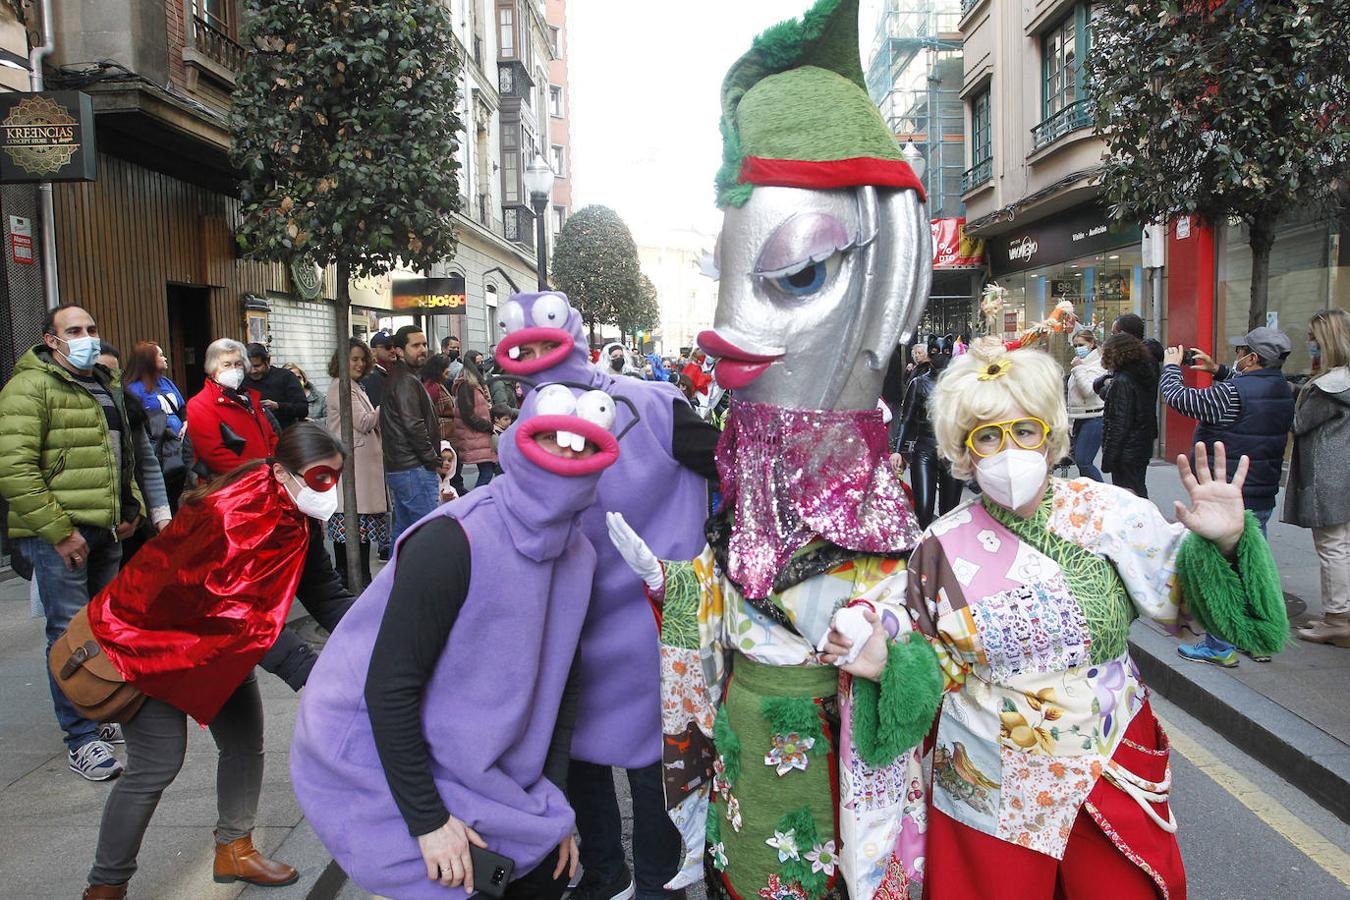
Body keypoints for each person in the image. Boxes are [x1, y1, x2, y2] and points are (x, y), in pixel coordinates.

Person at [825, 337, 1281, 898]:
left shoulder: (1113, 513)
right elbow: (919, 650)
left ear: (1050, 435)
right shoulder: (940, 544)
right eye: (987, 435)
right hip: (987, 775)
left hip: (1108, 762)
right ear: (964, 452)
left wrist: (1228, 546)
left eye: (1025, 430)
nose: (1008, 448)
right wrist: (881, 659)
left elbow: (1209, 614)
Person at [291, 385, 629, 899]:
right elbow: (389, 686)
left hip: (503, 788)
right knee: (471, 885)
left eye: (583, 446)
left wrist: (555, 805)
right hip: (411, 781)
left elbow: (565, 686)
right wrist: (427, 821)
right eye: (554, 439)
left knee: (541, 880)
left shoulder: (578, 556)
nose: (567, 456)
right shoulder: (453, 540)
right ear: (520, 442)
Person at [494, 292, 716, 900]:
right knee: (576, 754)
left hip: (661, 609)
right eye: (526, 349)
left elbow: (724, 462)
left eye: (546, 343)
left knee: (656, 764)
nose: (540, 359)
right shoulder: (519, 437)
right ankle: (609, 874)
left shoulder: (648, 404)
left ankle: (656, 884)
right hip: (573, 616)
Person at [79, 424, 353, 900]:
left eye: (334, 477)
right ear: (283, 471)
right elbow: (241, 615)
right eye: (320, 478)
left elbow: (323, 590)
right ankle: (106, 885)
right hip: (153, 643)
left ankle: (235, 849)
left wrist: (374, 634)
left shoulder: (296, 510)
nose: (328, 490)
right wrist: (311, 672)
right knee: (155, 767)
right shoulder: (237, 512)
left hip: (214, 646)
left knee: (245, 744)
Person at [0, 303, 144, 781]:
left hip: (106, 530)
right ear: (50, 339)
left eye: (92, 328)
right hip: (62, 535)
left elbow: (122, 454)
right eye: (74, 330)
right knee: (67, 635)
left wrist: (131, 509)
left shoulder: (102, 383)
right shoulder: (29, 387)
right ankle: (80, 737)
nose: (86, 337)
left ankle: (100, 712)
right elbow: (15, 469)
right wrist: (60, 532)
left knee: (102, 628)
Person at [1162, 327, 1296, 667]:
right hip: (1262, 490)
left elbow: (1181, 400)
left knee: (1219, 570)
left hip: (1229, 496)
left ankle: (1218, 645)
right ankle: (1256, 638)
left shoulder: (1233, 393)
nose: (1237, 356)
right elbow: (1251, 392)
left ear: (1252, 358)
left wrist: (1171, 367)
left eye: (1241, 351)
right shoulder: (1282, 388)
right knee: (1254, 568)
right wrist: (1219, 370)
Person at [1286, 309, 1350, 646]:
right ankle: (1340, 613)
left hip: (1328, 473)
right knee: (1344, 546)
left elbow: (1298, 424)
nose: (1309, 344)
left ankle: (1337, 619)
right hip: (1344, 470)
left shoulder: (1328, 387)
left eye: (1313, 339)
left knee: (1332, 547)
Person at [96, 345, 174, 562]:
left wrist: (161, 516)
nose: (108, 381)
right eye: (101, 372)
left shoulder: (128, 405)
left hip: (130, 517)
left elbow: (147, 464)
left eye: (114, 374)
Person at [325, 339, 386, 590]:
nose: (360, 364)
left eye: (363, 359)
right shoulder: (342, 387)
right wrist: (385, 407)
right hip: (352, 474)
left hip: (359, 475)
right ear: (342, 360)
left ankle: (358, 583)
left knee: (359, 536)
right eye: (354, 359)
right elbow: (363, 422)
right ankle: (354, 585)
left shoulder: (353, 387)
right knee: (351, 534)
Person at [382, 325, 441, 545]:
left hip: (405, 467)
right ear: (398, 350)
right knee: (428, 535)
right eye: (415, 345)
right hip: (413, 468)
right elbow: (413, 426)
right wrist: (432, 459)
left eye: (424, 344)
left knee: (405, 532)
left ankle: (395, 578)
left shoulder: (404, 377)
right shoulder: (405, 380)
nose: (422, 349)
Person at [894, 336, 962, 528]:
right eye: (935, 352)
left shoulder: (960, 383)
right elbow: (906, 419)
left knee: (950, 512)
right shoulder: (918, 383)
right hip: (925, 448)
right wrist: (898, 450)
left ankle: (945, 552)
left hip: (952, 449)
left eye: (945, 352)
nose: (940, 356)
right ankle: (922, 550)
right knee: (923, 510)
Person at [186, 339, 279, 477]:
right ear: (213, 368)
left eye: (238, 364)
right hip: (233, 486)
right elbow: (214, 454)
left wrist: (274, 464)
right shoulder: (200, 404)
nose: (234, 370)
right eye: (227, 365)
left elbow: (271, 436)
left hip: (266, 477)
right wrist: (256, 473)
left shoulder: (249, 398)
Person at [123, 341, 188, 508]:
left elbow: (182, 407)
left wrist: (186, 423)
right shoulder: (133, 389)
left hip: (178, 447)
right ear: (148, 361)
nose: (165, 358)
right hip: (157, 450)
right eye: (160, 355)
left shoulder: (166, 382)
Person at [1099, 332, 1158, 498]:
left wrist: (1109, 457)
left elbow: (1119, 424)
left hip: (1127, 450)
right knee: (1137, 489)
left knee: (1128, 494)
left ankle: (1141, 523)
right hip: (1140, 445)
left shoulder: (1122, 381)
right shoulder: (1141, 374)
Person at [450, 353, 498, 491]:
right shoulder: (467, 386)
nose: (482, 365)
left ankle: (474, 499)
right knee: (487, 472)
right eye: (478, 362)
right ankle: (475, 500)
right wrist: (488, 426)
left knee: (488, 470)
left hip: (478, 434)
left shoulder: (474, 384)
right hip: (475, 434)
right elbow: (468, 414)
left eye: (482, 361)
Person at [1066, 327, 1106, 481]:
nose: (1078, 349)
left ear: (1091, 344)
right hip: (1080, 417)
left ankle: (1101, 494)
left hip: (1094, 416)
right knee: (1080, 462)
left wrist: (1079, 368)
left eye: (1081, 344)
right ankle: (1089, 493)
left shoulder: (1097, 364)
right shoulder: (1081, 363)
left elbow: (1089, 390)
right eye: (1075, 345)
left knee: (1084, 461)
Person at [244, 343, 309, 430]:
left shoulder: (286, 377)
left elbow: (302, 409)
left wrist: (278, 406)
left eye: (257, 366)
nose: (253, 371)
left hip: (285, 435)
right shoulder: (242, 381)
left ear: (268, 361)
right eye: (248, 367)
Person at [421, 352, 457, 446]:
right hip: (442, 436)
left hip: (445, 434)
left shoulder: (436, 385)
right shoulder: (433, 387)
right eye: (446, 367)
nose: (449, 370)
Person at [363, 332, 394, 408]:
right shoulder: (372, 377)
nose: (393, 350)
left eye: (394, 346)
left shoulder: (388, 372)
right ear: (373, 351)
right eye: (388, 347)